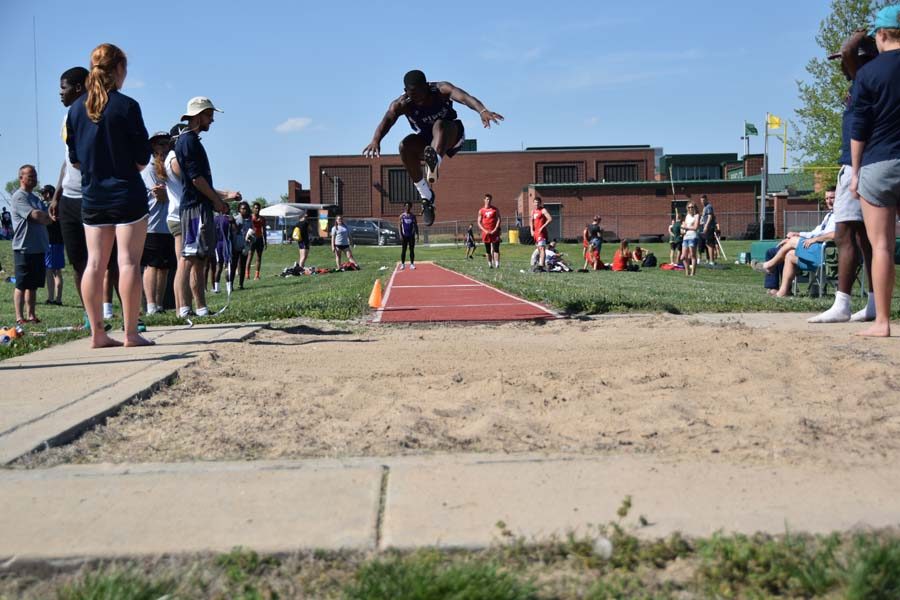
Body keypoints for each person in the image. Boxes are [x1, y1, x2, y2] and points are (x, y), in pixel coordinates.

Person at [66, 44, 152, 348]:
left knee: (94, 264)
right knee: (128, 262)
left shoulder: (75, 110)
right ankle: (130, 334)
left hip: (92, 196)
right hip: (127, 194)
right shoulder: (127, 106)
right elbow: (143, 159)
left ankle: (98, 334)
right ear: (117, 69)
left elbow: (75, 159)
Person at [362, 69, 504, 226]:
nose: (418, 98)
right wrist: (376, 140)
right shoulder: (401, 104)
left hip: (452, 134)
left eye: (421, 93)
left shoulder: (441, 89)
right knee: (405, 146)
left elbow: (464, 97)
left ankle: (434, 162)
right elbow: (388, 119)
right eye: (413, 94)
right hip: (427, 141)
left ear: (427, 86)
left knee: (439, 124)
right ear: (406, 92)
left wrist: (482, 110)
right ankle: (426, 196)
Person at [810, 31, 878, 323]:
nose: (841, 66)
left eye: (845, 61)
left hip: (855, 165)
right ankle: (873, 303)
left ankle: (842, 304)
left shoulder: (864, 77)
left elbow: (851, 52)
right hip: (864, 164)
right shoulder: (871, 83)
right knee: (867, 239)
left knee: (844, 234)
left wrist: (864, 34)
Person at [48, 65, 120, 324]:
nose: (60, 93)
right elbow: (67, 160)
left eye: (63, 88)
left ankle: (130, 315)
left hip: (95, 196)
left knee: (110, 262)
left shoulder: (98, 113)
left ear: (79, 88)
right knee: (79, 263)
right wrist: (57, 195)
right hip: (69, 199)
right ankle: (92, 316)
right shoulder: (67, 118)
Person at [850, 5, 900, 337]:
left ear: (881, 35)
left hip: (879, 163)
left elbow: (859, 127)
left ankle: (882, 322)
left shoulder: (868, 74)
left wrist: (855, 172)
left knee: (881, 245)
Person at [175, 96, 241, 319]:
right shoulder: (188, 141)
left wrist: (223, 196)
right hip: (194, 208)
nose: (212, 120)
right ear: (198, 115)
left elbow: (202, 181)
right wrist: (217, 201)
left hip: (200, 206)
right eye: (209, 115)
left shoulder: (193, 140)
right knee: (190, 256)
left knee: (200, 257)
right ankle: (183, 307)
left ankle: (201, 307)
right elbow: (196, 180)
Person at [754, 191, 836, 274]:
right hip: (815, 245)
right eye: (826, 198)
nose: (828, 201)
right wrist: (798, 235)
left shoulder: (840, 217)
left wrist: (798, 236)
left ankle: (769, 266)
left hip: (822, 251)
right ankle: (773, 286)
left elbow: (827, 235)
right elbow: (815, 232)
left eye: (832, 198)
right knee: (773, 251)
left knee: (789, 248)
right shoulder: (828, 215)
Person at [140, 131, 177, 315]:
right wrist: (175, 194)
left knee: (164, 267)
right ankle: (151, 305)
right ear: (153, 146)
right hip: (152, 225)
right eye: (161, 144)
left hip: (167, 225)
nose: (165, 147)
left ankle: (160, 305)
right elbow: (161, 195)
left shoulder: (168, 168)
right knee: (152, 265)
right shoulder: (150, 169)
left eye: (167, 143)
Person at [11, 165, 50, 324]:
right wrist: (45, 216)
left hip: (38, 247)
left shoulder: (34, 198)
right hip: (24, 247)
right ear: (21, 178)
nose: (33, 178)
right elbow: (35, 215)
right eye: (29, 176)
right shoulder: (19, 197)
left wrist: (45, 216)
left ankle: (31, 315)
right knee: (21, 284)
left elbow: (47, 219)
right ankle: (20, 317)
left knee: (33, 285)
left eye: (34, 175)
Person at [41, 185, 65, 305]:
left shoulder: (49, 207)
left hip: (51, 242)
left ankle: (52, 298)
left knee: (51, 271)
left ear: (49, 193)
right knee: (57, 271)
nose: (42, 195)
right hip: (60, 242)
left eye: (44, 192)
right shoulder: (61, 206)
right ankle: (58, 298)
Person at [231, 201, 252, 289]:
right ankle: (230, 285)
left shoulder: (249, 221)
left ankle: (241, 284)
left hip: (245, 246)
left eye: (246, 208)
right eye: (242, 208)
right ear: (239, 209)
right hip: (235, 245)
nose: (244, 210)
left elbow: (252, 232)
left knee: (243, 265)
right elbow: (232, 232)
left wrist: (251, 238)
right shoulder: (235, 219)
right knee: (233, 265)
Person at [477, 194, 501, 268]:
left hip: (494, 232)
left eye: (490, 199)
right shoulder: (481, 210)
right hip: (486, 233)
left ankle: (497, 264)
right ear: (484, 200)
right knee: (488, 249)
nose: (488, 201)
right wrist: (484, 230)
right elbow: (479, 222)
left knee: (496, 248)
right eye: (487, 199)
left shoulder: (495, 209)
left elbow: (499, 219)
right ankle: (490, 264)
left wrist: (495, 229)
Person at [530, 196, 553, 271]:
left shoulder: (543, 210)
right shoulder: (533, 211)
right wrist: (531, 230)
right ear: (533, 203)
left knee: (542, 248)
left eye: (538, 202)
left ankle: (541, 266)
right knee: (539, 249)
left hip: (541, 233)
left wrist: (542, 227)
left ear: (540, 203)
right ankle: (541, 265)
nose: (536, 204)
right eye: (535, 202)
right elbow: (531, 221)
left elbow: (550, 219)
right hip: (535, 233)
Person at [246, 201, 266, 280]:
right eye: (255, 208)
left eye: (258, 208)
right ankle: (247, 274)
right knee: (250, 256)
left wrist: (265, 241)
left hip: (259, 239)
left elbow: (264, 230)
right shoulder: (250, 217)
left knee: (258, 257)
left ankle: (257, 275)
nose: (257, 209)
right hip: (252, 239)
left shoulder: (262, 219)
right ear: (253, 209)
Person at [681, 203, 700, 276]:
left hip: (693, 236)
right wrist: (682, 229)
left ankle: (693, 273)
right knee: (683, 256)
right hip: (686, 237)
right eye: (689, 207)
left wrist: (686, 228)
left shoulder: (696, 216)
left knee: (692, 255)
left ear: (694, 208)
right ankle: (687, 271)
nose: (690, 208)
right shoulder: (687, 216)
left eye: (692, 207)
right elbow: (685, 226)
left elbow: (695, 227)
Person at [398, 202, 419, 270]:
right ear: (404, 207)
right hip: (404, 236)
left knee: (412, 250)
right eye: (406, 206)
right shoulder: (402, 216)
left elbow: (415, 226)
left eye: (409, 206)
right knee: (403, 250)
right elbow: (399, 226)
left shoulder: (413, 216)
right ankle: (403, 264)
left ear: (410, 207)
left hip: (411, 235)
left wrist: (417, 234)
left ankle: (412, 264)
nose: (408, 208)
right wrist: (400, 234)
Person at [700, 195, 718, 264]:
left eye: (704, 200)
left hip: (709, 228)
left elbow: (710, 217)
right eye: (701, 201)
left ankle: (712, 260)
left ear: (707, 200)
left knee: (710, 243)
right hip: (705, 227)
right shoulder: (704, 208)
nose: (702, 202)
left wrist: (706, 226)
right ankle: (709, 259)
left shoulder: (709, 206)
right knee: (707, 243)